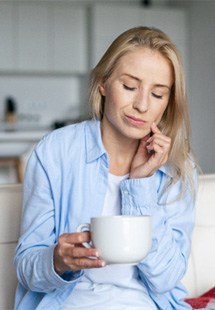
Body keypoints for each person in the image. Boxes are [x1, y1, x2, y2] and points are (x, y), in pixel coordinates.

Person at [14, 26, 198, 309]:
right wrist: (57, 260)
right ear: (103, 83)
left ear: (168, 103)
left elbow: (166, 278)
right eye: (129, 86)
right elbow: (27, 267)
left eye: (158, 94)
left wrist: (140, 185)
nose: (142, 105)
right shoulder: (56, 151)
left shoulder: (178, 168)